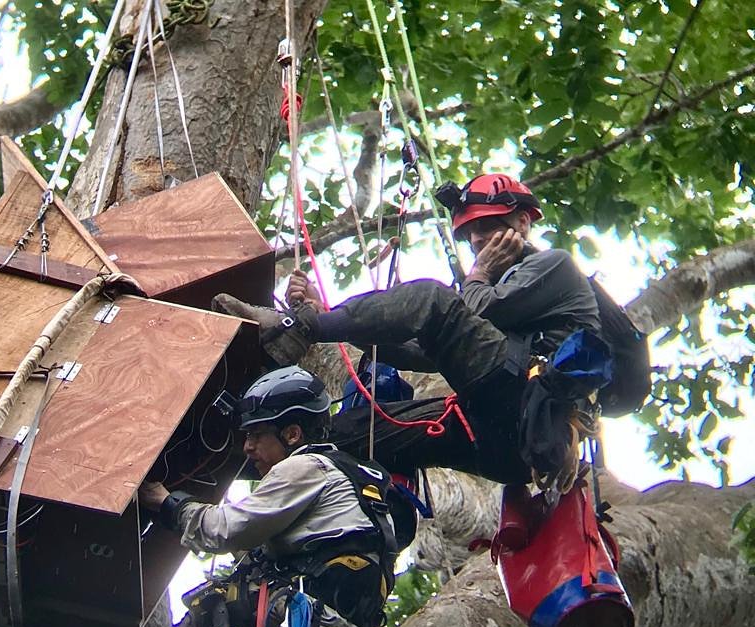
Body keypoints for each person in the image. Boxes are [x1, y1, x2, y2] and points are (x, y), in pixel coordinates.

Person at [50, 366, 407, 627]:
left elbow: (226, 529)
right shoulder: (364, 492)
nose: (248, 447)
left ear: (292, 434)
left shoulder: (306, 468)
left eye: (257, 435)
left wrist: (165, 502)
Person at [212, 173, 601, 486]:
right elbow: (420, 351)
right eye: (470, 234)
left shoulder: (553, 267)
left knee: (431, 298)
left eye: (488, 225)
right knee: (352, 430)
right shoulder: (488, 291)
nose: (478, 240)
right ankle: (220, 456)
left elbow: (464, 308)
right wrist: (330, 316)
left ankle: (296, 328)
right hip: (499, 431)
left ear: (522, 221)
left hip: (530, 409)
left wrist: (478, 273)